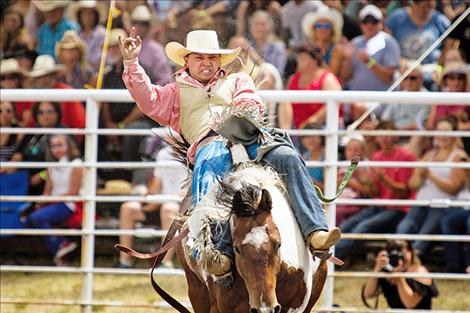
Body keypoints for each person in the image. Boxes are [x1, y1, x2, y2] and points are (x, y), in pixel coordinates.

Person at [120, 29, 341, 277]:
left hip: (249, 138)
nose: (206, 63)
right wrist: (131, 63)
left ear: (219, 61)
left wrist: (238, 117)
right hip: (210, 146)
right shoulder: (175, 92)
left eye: (211, 58)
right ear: (187, 61)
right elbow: (148, 100)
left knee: (288, 156)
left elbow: (251, 102)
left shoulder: (238, 80)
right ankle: (215, 249)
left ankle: (316, 231)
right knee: (210, 169)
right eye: (200, 58)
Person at [335, 121, 416, 262]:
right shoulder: (377, 157)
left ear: (396, 137)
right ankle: (333, 256)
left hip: (398, 208)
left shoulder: (407, 157)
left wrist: (382, 179)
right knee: (346, 226)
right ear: (376, 138)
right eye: (380, 135)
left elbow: (403, 192)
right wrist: (362, 179)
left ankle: (332, 259)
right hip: (379, 204)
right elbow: (374, 191)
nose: (384, 139)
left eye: (388, 135)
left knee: (363, 226)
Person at [397, 117, 467, 258]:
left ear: (454, 134)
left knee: (425, 234)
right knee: (404, 227)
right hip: (421, 203)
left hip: (443, 206)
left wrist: (430, 175)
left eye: (446, 131)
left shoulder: (459, 156)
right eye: (439, 131)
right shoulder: (429, 154)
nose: (442, 135)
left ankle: (408, 262)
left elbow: (454, 188)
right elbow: (412, 185)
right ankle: (398, 257)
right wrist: (419, 175)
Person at [116, 134, 186, 269]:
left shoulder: (194, 152)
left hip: (181, 206)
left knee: (168, 208)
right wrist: (147, 197)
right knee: (128, 208)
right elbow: (157, 183)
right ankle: (124, 262)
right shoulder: (164, 153)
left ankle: (165, 263)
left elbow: (192, 189)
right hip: (161, 203)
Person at [21, 134, 83, 266]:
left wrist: (50, 200)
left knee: (37, 218)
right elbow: (47, 191)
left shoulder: (77, 165)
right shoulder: (51, 166)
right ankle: (60, 251)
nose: (57, 149)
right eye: (53, 146)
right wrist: (40, 202)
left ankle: (62, 245)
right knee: (26, 221)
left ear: (69, 145)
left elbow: (73, 192)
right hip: (54, 202)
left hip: (69, 204)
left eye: (60, 145)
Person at [280, 42, 342, 130]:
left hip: (322, 129)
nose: (299, 60)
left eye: (303, 58)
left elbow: (335, 103)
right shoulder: (293, 78)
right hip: (296, 130)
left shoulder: (327, 78)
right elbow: (286, 104)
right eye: (299, 57)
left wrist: (311, 123)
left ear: (314, 60)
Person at [363, 240, 439, 309]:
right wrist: (377, 268)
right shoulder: (387, 273)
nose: (400, 261)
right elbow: (368, 294)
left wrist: (399, 278)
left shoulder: (420, 272)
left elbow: (410, 304)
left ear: (411, 252)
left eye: (402, 256)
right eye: (394, 257)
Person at [341, 4, 401, 91]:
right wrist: (348, 59)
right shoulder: (355, 43)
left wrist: (369, 62)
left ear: (381, 23)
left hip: (381, 100)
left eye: (374, 21)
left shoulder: (389, 43)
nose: (369, 25)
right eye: (365, 21)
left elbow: (388, 78)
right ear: (360, 24)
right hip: (357, 99)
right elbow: (345, 78)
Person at [17, 101, 63, 195]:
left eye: (49, 112)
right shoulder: (31, 134)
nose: (45, 116)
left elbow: (68, 163)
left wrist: (43, 175)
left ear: (57, 114)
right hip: (24, 181)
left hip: (49, 184)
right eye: (41, 113)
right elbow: (19, 154)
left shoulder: (63, 135)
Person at [385, 0, 450, 65]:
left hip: (431, 68)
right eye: (424, 7)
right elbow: (387, 42)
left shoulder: (440, 20)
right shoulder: (397, 18)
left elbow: (451, 43)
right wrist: (397, 60)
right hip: (402, 66)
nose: (427, 10)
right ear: (414, 4)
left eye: (431, 7)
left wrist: (441, 63)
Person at [126, 5, 172, 86]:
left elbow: (165, 78)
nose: (138, 26)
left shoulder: (156, 50)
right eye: (135, 23)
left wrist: (150, 93)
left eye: (143, 24)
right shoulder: (126, 47)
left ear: (148, 27)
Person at [301, 6, 345, 77]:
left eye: (327, 25)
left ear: (332, 29)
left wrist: (317, 60)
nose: (323, 29)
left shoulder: (336, 49)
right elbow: (301, 71)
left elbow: (332, 74)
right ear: (314, 29)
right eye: (319, 25)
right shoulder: (307, 48)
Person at [426, 62, 470, 130]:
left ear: (465, 80)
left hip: (461, 138)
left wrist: (456, 127)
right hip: (438, 136)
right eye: (452, 78)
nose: (456, 82)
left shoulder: (468, 97)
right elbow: (429, 126)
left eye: (460, 78)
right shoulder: (439, 98)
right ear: (445, 80)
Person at [67, 0, 106, 71]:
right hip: (79, 73)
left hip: (98, 73)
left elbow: (102, 59)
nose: (87, 16)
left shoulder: (102, 34)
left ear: (96, 15)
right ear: (79, 16)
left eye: (90, 13)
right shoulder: (77, 34)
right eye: (84, 13)